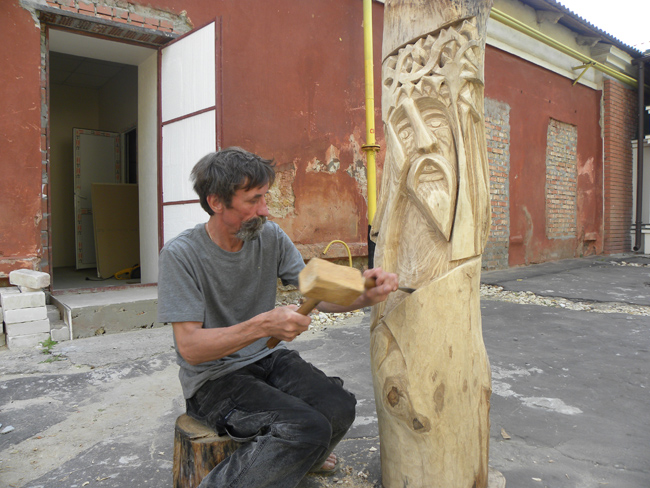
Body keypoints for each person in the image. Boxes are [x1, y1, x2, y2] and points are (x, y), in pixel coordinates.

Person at [157, 147, 399, 488]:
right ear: (216, 202)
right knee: (304, 426)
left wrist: (365, 295)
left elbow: (314, 297)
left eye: (265, 197)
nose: (265, 210)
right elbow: (191, 349)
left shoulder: (268, 236)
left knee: (339, 406)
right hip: (212, 379)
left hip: (266, 357)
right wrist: (264, 324)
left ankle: (299, 459)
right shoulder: (181, 255)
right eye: (253, 201)